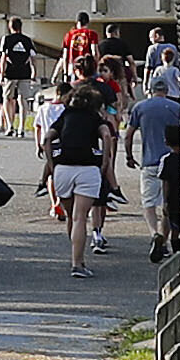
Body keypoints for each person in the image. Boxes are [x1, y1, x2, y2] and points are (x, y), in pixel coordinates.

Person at [41, 79, 118, 274]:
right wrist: (106, 160)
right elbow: (107, 135)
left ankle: (75, 254)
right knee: (80, 217)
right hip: (87, 168)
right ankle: (78, 262)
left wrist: (51, 163)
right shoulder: (94, 117)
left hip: (63, 168)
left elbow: (47, 138)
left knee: (70, 216)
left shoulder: (66, 115)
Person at [131, 70, 180, 265]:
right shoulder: (176, 107)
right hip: (174, 160)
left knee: (149, 203)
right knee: (168, 202)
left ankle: (154, 232)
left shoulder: (140, 107)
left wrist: (129, 155)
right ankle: (164, 239)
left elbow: (128, 133)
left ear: (150, 90)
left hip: (149, 160)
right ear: (166, 90)